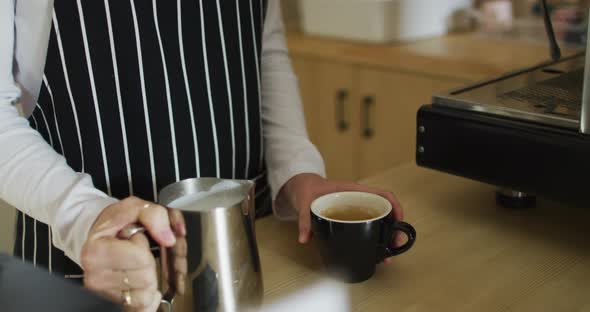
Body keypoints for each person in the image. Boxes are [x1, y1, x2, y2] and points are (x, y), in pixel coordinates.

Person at [1, 0, 404, 310]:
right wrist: (87, 216)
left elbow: (264, 47)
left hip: (249, 251)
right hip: (94, 265)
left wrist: (300, 172)